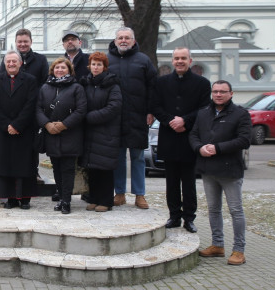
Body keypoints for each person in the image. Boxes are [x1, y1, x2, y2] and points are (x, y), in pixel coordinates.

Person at [190, 80, 252, 266]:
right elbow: (193, 135)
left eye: (223, 92)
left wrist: (218, 148)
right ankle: (217, 244)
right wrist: (199, 148)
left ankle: (239, 250)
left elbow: (244, 140)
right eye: (215, 91)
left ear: (231, 94)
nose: (218, 95)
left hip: (230, 171)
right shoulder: (203, 113)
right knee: (213, 209)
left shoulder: (241, 114)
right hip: (208, 169)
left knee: (235, 210)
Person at [152, 47, 211, 233]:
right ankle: (174, 216)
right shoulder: (161, 83)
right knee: (171, 181)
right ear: (172, 61)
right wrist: (170, 121)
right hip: (168, 136)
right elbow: (155, 106)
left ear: (190, 61)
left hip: (189, 136)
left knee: (189, 182)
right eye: (176, 58)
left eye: (183, 58)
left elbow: (204, 108)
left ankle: (189, 218)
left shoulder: (202, 83)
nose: (180, 61)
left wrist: (185, 120)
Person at [108, 27, 156, 210]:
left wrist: (151, 111)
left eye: (127, 38)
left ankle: (140, 194)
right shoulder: (108, 60)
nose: (123, 41)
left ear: (133, 41)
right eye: (120, 37)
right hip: (115, 117)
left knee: (138, 157)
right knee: (118, 157)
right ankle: (119, 193)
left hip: (138, 116)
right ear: (115, 40)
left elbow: (153, 87)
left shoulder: (143, 60)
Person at [0, 50, 39, 209]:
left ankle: (24, 199)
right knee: (6, 164)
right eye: (8, 61)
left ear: (20, 63)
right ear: (4, 64)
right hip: (3, 131)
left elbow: (31, 104)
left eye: (14, 61)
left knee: (24, 164)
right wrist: (7, 125)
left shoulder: (30, 80)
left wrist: (17, 125)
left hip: (24, 130)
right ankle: (10, 198)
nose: (11, 64)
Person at [36, 57, 87, 214]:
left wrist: (64, 124)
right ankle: (60, 195)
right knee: (56, 169)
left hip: (70, 134)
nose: (59, 70)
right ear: (53, 70)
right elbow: (37, 109)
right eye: (57, 68)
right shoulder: (45, 88)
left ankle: (67, 201)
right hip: (51, 134)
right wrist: (47, 124)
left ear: (69, 70)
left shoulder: (76, 88)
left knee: (67, 169)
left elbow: (81, 110)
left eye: (63, 68)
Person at [79, 52, 122, 212]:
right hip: (89, 133)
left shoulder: (112, 85)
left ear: (104, 67)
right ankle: (94, 198)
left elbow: (114, 107)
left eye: (99, 64)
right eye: (93, 64)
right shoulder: (86, 83)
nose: (96, 67)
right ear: (89, 66)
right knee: (92, 168)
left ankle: (106, 201)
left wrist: (90, 117)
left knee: (104, 168)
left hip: (106, 132)